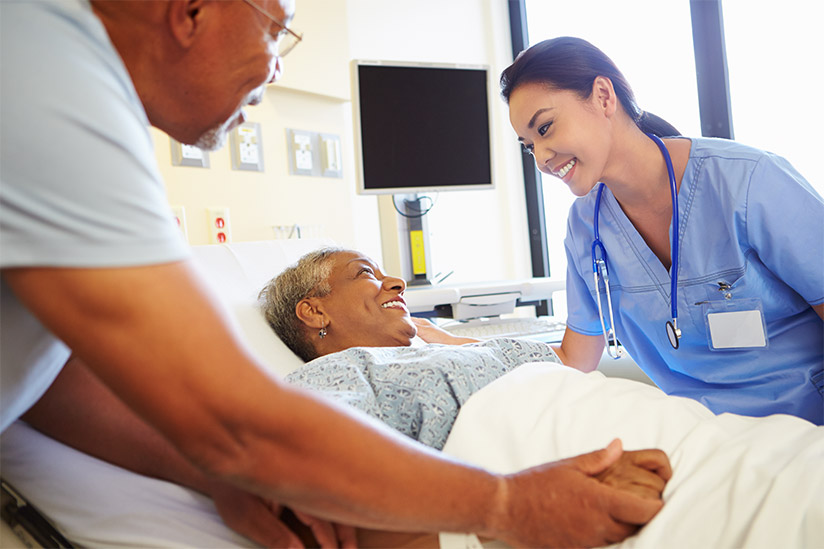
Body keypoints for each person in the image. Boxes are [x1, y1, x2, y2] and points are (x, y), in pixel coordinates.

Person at [0, 3, 666, 547]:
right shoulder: (47, 80)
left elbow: (56, 375)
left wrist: (219, 470)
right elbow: (240, 421)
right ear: (191, 11)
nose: (279, 61)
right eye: (275, 25)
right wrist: (507, 502)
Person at [259, 246, 821, 549]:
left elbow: (567, 368)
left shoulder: (442, 350)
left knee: (783, 466)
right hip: (554, 454)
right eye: (366, 273)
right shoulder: (333, 379)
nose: (396, 283)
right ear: (313, 311)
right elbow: (336, 502)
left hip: (628, 420)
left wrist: (447, 342)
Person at [500, 36, 824, 425]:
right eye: (528, 145)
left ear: (604, 96)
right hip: (700, 440)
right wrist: (457, 348)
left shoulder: (748, 181)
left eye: (546, 128)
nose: (541, 158)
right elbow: (574, 361)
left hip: (807, 430)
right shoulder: (587, 226)